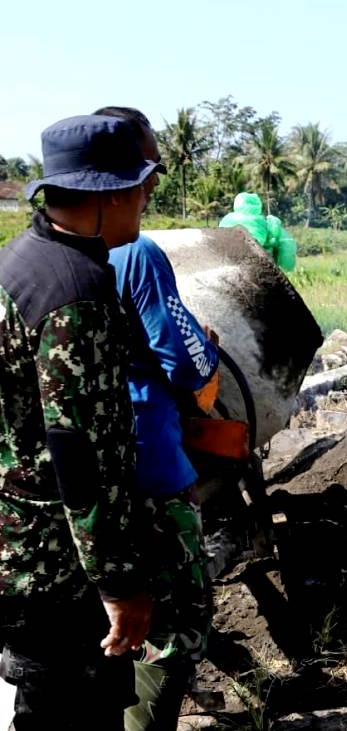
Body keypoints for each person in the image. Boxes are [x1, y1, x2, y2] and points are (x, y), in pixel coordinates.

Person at [0, 115, 157, 728]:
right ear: (112, 193)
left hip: (19, 540)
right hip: (58, 569)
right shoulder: (76, 292)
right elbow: (78, 453)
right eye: (143, 189)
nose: (146, 202)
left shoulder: (20, 262)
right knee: (69, 714)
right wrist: (118, 584)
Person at [98, 107, 219, 731]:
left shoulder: (32, 261)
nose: (152, 186)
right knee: (178, 623)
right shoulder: (136, 252)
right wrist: (210, 356)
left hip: (82, 480)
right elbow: (181, 353)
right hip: (151, 460)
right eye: (148, 170)